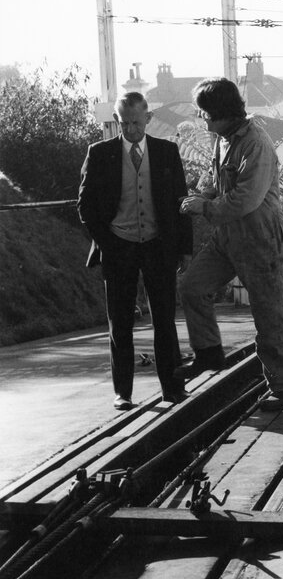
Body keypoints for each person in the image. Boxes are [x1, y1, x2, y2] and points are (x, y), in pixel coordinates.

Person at [176, 78, 283, 412]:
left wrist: (206, 208)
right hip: (228, 237)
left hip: (259, 239)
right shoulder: (223, 140)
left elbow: (247, 197)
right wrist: (205, 196)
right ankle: (209, 354)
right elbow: (224, 186)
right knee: (192, 286)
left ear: (222, 113)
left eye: (205, 114)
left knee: (269, 316)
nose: (202, 120)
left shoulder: (255, 143)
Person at [78, 92, 192, 410]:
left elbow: (180, 202)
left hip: (158, 245)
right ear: (117, 120)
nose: (130, 129)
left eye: (136, 123)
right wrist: (106, 242)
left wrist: (184, 249)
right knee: (120, 322)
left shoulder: (167, 152)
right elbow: (84, 206)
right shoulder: (99, 153)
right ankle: (123, 393)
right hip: (118, 246)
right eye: (124, 123)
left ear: (148, 119)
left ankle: (172, 388)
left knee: (165, 320)